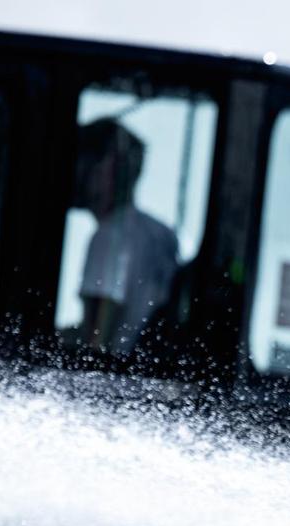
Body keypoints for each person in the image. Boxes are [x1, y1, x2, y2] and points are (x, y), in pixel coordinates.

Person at [72, 118, 180, 356]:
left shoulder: (109, 237)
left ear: (106, 168)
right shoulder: (161, 234)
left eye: (83, 161)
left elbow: (95, 342)